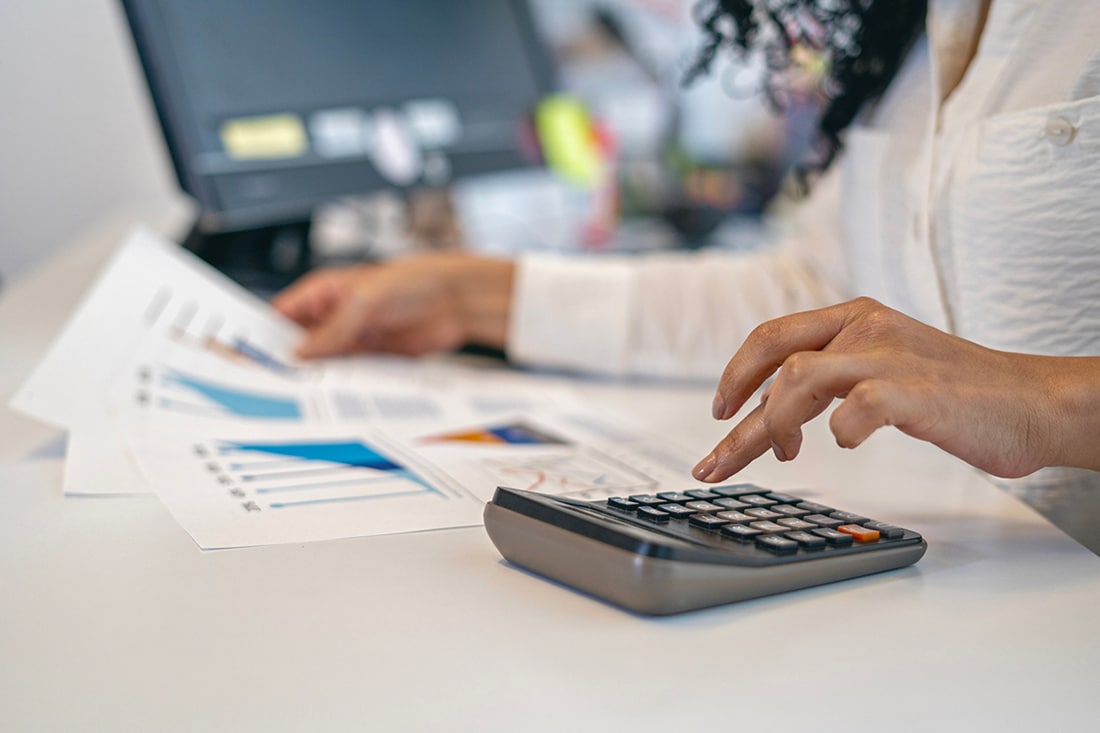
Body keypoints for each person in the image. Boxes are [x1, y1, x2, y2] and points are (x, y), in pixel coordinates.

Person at [274, 0, 1100, 482]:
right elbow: (812, 299)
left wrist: (1053, 403)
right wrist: (472, 296)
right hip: (953, 588)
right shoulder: (913, 28)